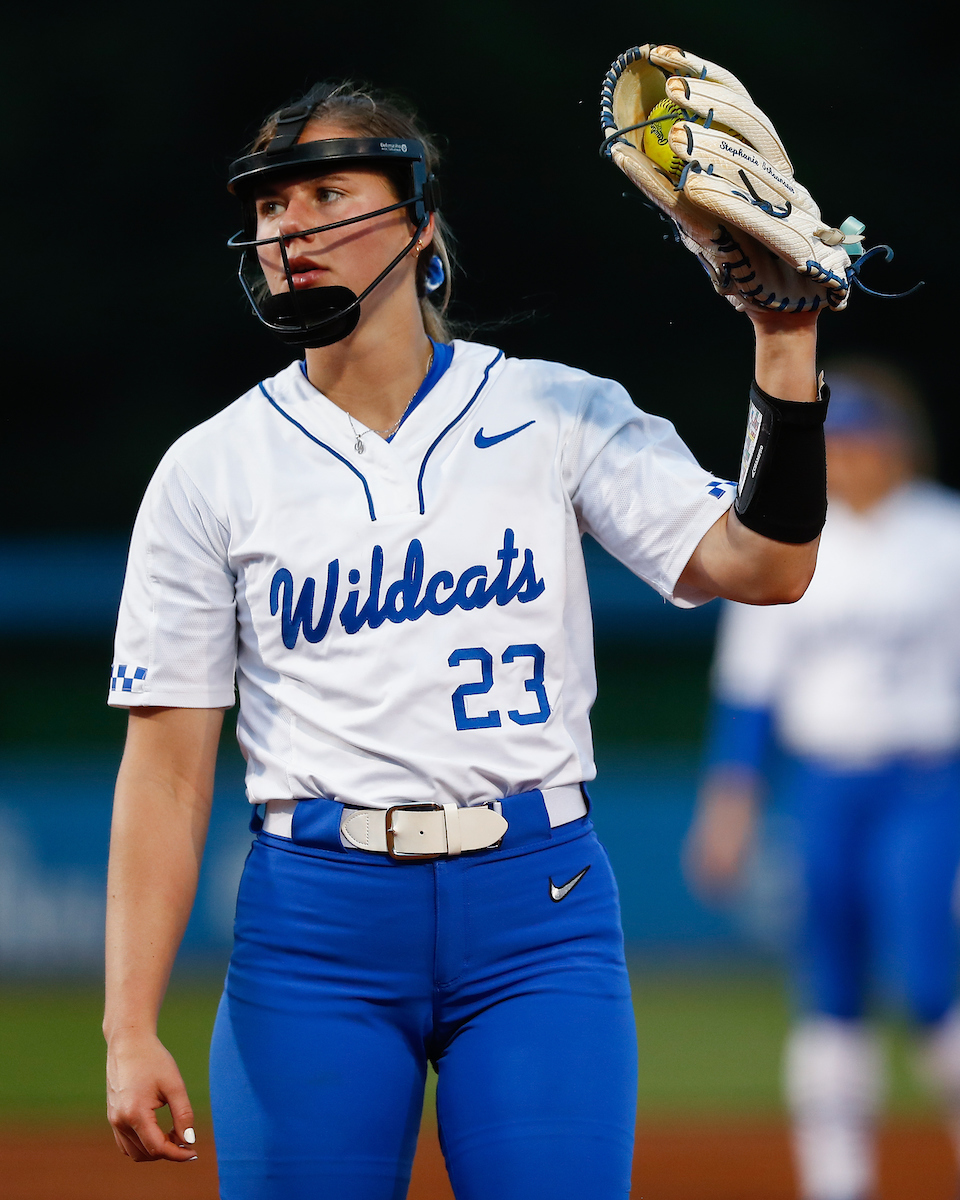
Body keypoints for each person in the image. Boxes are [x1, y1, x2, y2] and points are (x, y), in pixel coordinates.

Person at [102, 79, 830, 1200]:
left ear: (418, 223)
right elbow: (164, 770)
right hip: (315, 928)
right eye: (270, 207)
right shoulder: (212, 468)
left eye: (327, 194)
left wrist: (784, 347)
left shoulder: (556, 412)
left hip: (539, 918)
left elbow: (765, 565)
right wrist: (125, 1025)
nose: (288, 230)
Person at [686, 359, 960, 1200]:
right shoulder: (795, 537)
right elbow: (751, 694)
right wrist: (728, 805)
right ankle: (837, 1183)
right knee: (830, 986)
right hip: (828, 786)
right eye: (840, 442)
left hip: (926, 783)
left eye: (866, 440)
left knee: (929, 980)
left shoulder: (944, 533)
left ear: (899, 448)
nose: (852, 457)